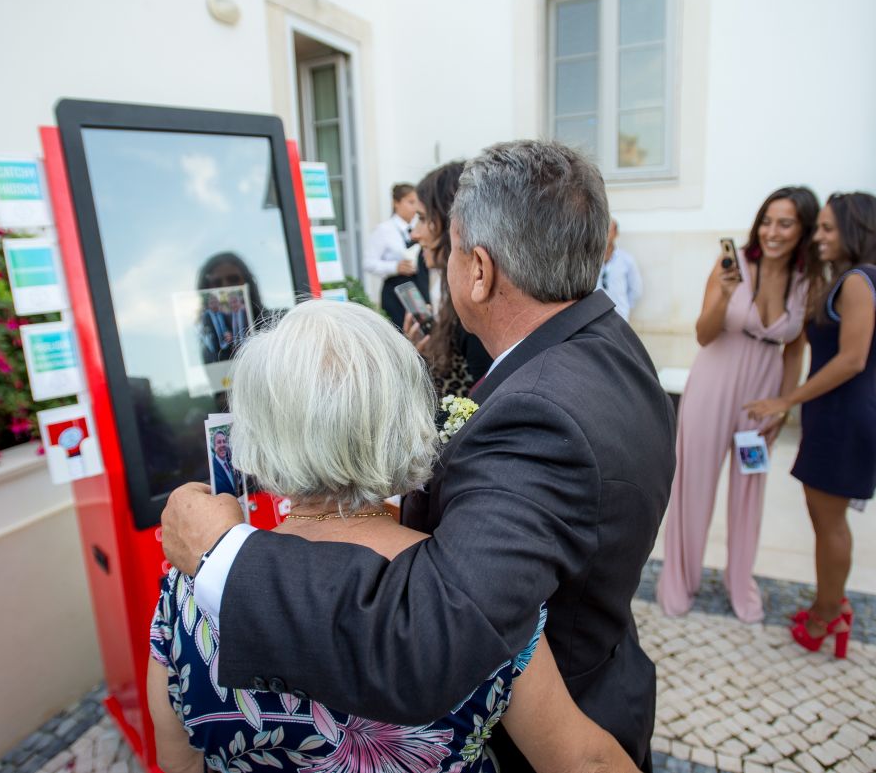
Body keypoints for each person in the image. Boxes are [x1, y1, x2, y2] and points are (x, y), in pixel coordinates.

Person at [160, 140, 676, 771]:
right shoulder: (607, 344)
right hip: (594, 675)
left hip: (575, 699)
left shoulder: (540, 416)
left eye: (448, 247)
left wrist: (224, 557)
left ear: (478, 269)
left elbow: (429, 634)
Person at [147, 300, 640, 773]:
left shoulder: (192, 589)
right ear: (405, 421)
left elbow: (179, 759)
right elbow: (580, 760)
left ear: (257, 435)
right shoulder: (472, 589)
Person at [746, 192, 876, 658]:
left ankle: (828, 616)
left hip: (845, 420)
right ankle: (827, 604)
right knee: (826, 522)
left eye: (828, 229)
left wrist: (785, 399)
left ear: (860, 231)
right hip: (842, 418)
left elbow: (851, 359)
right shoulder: (873, 280)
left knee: (829, 525)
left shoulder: (856, 281)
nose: (819, 237)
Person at [657, 186, 818, 623]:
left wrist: (783, 406)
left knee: (750, 489)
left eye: (785, 223)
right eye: (767, 220)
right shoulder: (733, 266)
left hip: (760, 400)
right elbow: (704, 334)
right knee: (694, 487)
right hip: (712, 388)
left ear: (802, 229)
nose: (772, 231)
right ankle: (679, 581)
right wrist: (726, 295)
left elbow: (794, 350)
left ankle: (739, 583)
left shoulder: (807, 282)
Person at [402, 161, 492, 398]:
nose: (415, 233)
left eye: (422, 218)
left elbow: (476, 403)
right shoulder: (449, 290)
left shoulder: (475, 304)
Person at [364, 183, 423, 328]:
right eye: (410, 202)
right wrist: (395, 267)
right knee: (399, 332)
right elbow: (368, 262)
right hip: (395, 290)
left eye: (417, 202)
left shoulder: (420, 226)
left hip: (419, 287)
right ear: (396, 203)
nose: (415, 208)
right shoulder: (384, 230)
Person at [596, 219, 642, 321]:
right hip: (595, 317)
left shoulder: (626, 260)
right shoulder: (591, 259)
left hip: (619, 316)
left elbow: (636, 289)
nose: (605, 234)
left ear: (616, 233)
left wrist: (624, 308)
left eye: (608, 230)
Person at [209, 428, 237, 497]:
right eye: (219, 442)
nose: (222, 445)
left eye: (224, 441)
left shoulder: (231, 463)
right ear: (214, 446)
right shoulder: (212, 469)